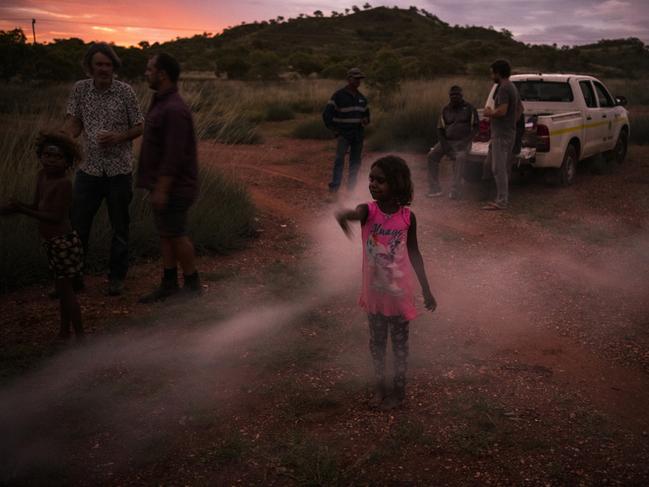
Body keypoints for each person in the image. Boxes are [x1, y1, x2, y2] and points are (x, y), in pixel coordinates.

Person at [336, 156, 436, 410]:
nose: (373, 184)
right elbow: (355, 213)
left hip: (399, 294)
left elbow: (414, 254)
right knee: (377, 345)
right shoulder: (368, 211)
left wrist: (426, 289)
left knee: (400, 347)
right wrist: (344, 216)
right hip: (375, 294)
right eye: (371, 179)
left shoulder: (407, 218)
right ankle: (380, 388)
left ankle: (398, 393)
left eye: (380, 180)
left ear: (397, 183)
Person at [63, 42, 144, 296]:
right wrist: (66, 140)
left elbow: (140, 126)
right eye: (99, 64)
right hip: (88, 170)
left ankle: (116, 278)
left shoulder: (125, 92)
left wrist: (119, 137)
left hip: (119, 171)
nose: (104, 69)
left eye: (108, 64)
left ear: (114, 67)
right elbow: (74, 122)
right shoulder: (80, 89)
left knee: (119, 227)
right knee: (77, 226)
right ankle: (74, 278)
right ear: (90, 66)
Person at [1, 132, 84, 340]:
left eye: (57, 157)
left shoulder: (64, 184)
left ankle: (81, 338)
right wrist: (12, 209)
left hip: (63, 243)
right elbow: (36, 207)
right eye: (47, 155)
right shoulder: (41, 177)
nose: (51, 159)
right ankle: (65, 332)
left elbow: (54, 217)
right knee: (62, 289)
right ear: (40, 155)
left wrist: (21, 209)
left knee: (66, 292)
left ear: (67, 162)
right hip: (51, 243)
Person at [137, 53, 201, 303]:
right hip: (162, 184)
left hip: (174, 186)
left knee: (176, 233)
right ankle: (169, 283)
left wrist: (162, 188)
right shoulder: (161, 102)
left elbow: (174, 155)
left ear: (162, 73)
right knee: (166, 233)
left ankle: (193, 284)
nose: (146, 73)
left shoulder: (174, 109)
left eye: (149, 69)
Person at [482, 59, 522, 210]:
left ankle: (501, 201)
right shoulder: (512, 86)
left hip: (501, 135)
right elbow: (519, 109)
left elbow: (502, 110)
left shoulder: (504, 88)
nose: (491, 75)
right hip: (507, 132)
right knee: (499, 166)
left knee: (499, 169)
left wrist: (489, 112)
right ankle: (500, 197)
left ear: (498, 73)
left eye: (492, 72)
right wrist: (511, 123)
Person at [322, 67, 370, 193]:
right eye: (356, 78)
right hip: (343, 134)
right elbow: (327, 115)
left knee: (355, 162)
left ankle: (351, 189)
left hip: (358, 135)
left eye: (360, 79)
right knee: (339, 160)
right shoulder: (338, 96)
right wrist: (334, 130)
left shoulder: (362, 98)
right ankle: (335, 187)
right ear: (349, 79)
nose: (358, 81)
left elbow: (367, 116)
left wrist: (365, 120)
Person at [427, 85, 479, 199]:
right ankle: (435, 188)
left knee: (459, 157)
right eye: (452, 95)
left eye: (457, 95)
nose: (454, 97)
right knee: (431, 156)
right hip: (447, 141)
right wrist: (446, 147)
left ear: (461, 96)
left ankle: (456, 190)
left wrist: (465, 141)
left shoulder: (470, 108)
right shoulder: (445, 109)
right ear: (449, 96)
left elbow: (475, 128)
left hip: (463, 142)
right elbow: (440, 130)